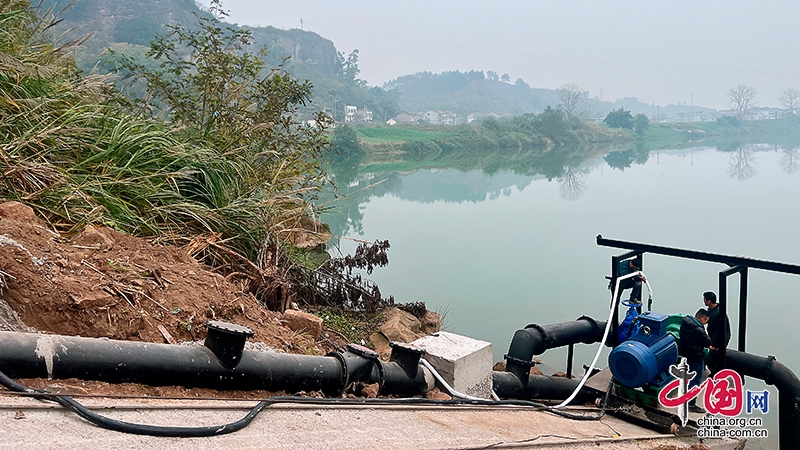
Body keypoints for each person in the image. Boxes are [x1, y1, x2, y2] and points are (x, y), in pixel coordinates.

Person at [679, 308, 711, 414]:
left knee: (687, 378)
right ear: (702, 319)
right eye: (706, 321)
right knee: (696, 381)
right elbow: (707, 342)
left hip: (685, 354)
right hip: (695, 357)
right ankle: (691, 403)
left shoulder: (685, 321)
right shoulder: (699, 330)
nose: (706, 323)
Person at [703, 291, 731, 375]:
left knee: (713, 359)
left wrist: (714, 344)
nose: (704, 301)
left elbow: (719, 331)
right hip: (713, 337)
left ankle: (716, 375)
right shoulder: (711, 310)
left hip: (720, 339)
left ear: (709, 301)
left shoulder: (718, 314)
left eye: (705, 299)